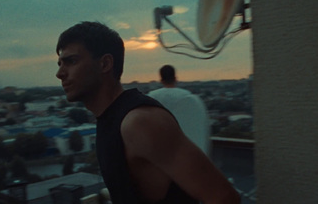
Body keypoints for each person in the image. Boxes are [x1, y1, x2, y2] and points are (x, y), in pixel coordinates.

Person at [55, 21, 240, 204]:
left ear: (105, 64)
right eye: (60, 63)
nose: (60, 73)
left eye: (71, 61)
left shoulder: (139, 122)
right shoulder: (111, 121)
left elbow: (224, 197)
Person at [148, 65, 211, 157]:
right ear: (175, 79)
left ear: (161, 80)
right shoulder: (192, 100)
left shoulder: (150, 99)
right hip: (188, 160)